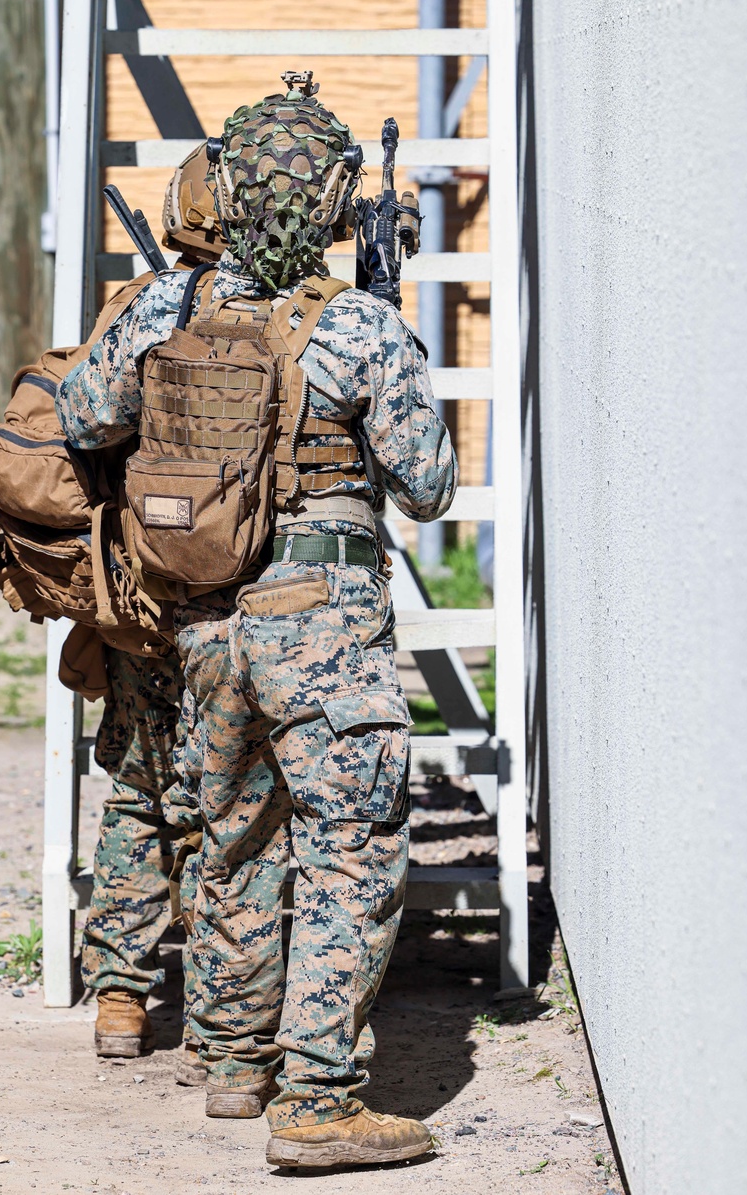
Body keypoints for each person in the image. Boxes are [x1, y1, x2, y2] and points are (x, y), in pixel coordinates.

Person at [56, 77, 457, 1170]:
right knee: (347, 846)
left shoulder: (160, 306)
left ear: (222, 192)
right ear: (335, 200)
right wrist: (378, 335)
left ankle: (233, 1061)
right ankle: (317, 1099)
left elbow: (82, 414)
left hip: (203, 625)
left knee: (232, 835)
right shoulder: (362, 326)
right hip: (323, 621)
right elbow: (426, 487)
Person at [83, 152, 226, 1084]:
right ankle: (230, 1018)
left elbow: (87, 416)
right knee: (243, 802)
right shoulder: (311, 312)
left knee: (140, 782)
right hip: (255, 596)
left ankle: (123, 996)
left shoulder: (156, 304)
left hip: (150, 589)